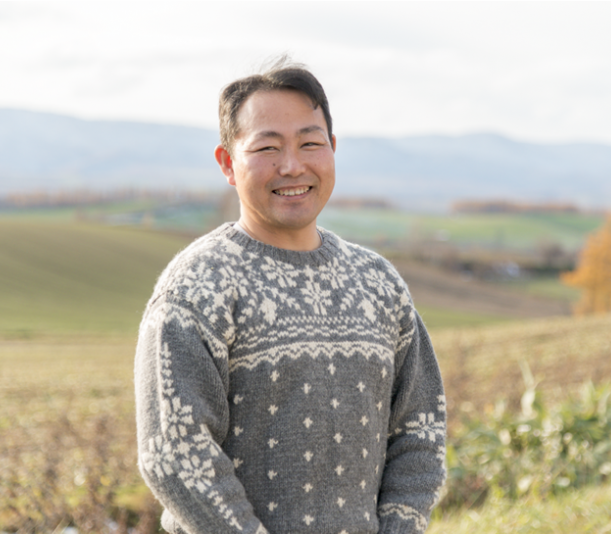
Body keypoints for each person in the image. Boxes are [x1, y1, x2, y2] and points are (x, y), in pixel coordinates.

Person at [134, 58, 446, 534]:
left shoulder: (378, 284)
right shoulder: (197, 289)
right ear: (227, 164)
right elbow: (174, 453)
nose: (292, 165)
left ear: (333, 149)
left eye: (310, 143)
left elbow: (419, 429)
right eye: (267, 147)